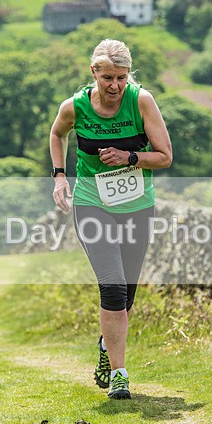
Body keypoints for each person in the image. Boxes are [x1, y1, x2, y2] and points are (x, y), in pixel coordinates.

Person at [49, 39, 172, 399]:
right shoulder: (75, 107)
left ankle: (106, 346)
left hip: (136, 207)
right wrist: (60, 176)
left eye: (121, 77)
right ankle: (120, 374)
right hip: (92, 204)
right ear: (94, 73)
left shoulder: (141, 101)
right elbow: (57, 134)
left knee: (126, 295)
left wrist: (129, 157)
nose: (115, 85)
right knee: (113, 286)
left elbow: (165, 156)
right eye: (107, 78)